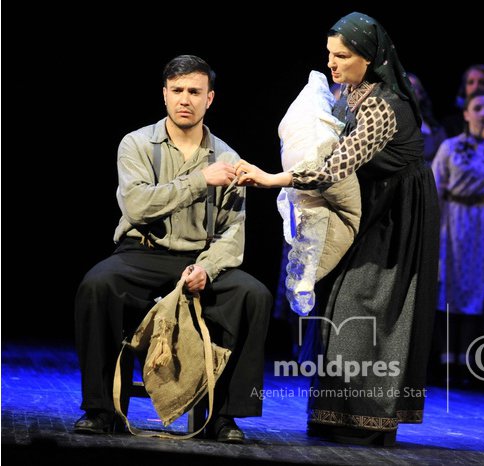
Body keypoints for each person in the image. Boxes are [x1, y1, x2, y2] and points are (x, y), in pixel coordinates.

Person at [232, 12, 439, 446]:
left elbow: (334, 167)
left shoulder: (383, 105)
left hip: (395, 213)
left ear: (370, 58)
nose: (332, 63)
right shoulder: (349, 91)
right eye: (329, 54)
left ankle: (369, 422)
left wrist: (272, 179)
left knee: (368, 307)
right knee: (336, 305)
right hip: (365, 202)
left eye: (342, 56)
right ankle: (333, 416)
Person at [73, 55, 272, 443]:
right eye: (177, 90)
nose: (185, 99)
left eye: (194, 91)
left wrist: (207, 269)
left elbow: (233, 233)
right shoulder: (137, 144)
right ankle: (101, 409)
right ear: (164, 94)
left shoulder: (228, 158)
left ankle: (224, 417)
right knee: (97, 286)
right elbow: (137, 206)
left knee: (253, 295)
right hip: (142, 254)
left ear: (209, 98)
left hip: (198, 260)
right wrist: (200, 180)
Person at [431, 90, 484, 386]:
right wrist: (433, 230)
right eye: (477, 108)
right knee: (448, 289)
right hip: (453, 221)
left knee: (475, 292)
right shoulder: (450, 148)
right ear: (466, 113)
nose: (483, 114)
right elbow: (435, 189)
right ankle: (446, 360)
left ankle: (466, 361)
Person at [407, 72, 447, 163]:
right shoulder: (389, 127)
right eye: (403, 86)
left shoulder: (435, 130)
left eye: (412, 86)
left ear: (420, 94)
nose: (407, 90)